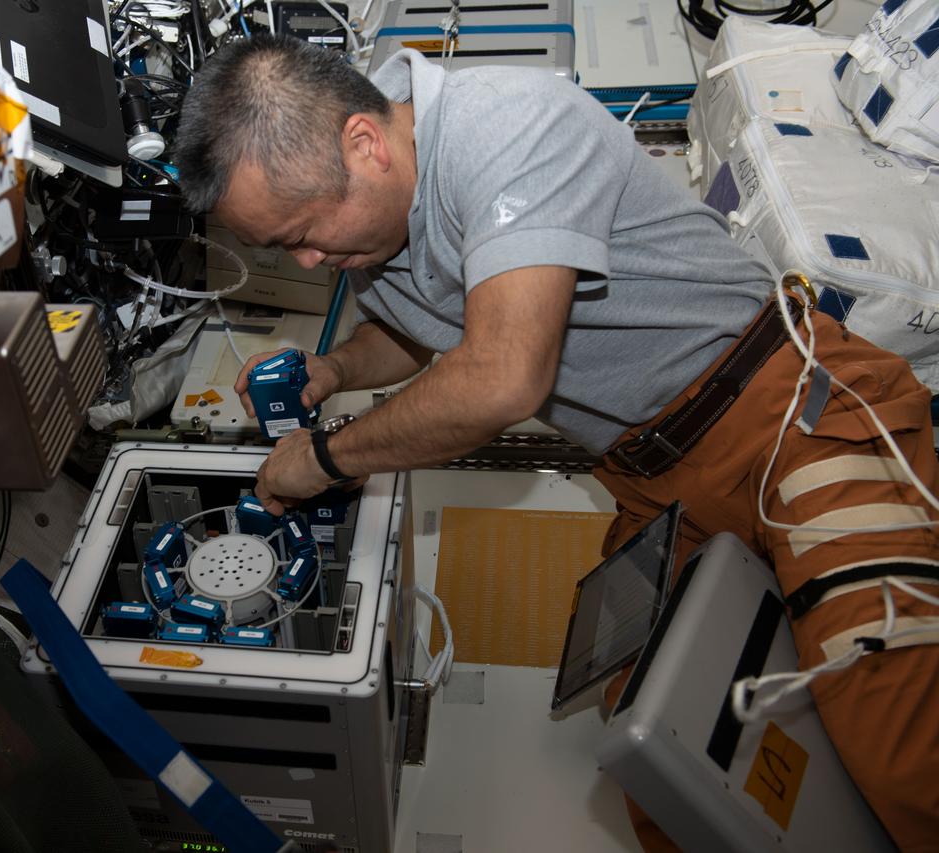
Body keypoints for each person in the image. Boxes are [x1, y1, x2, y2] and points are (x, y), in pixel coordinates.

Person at [173, 35, 939, 850]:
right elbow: (416, 327)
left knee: (896, 739)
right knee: (664, 756)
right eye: (284, 248)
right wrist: (335, 367)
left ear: (364, 143)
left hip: (791, 414)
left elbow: (503, 374)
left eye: (303, 232)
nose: (310, 259)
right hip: (657, 477)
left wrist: (324, 456)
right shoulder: (380, 209)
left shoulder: (508, 127)